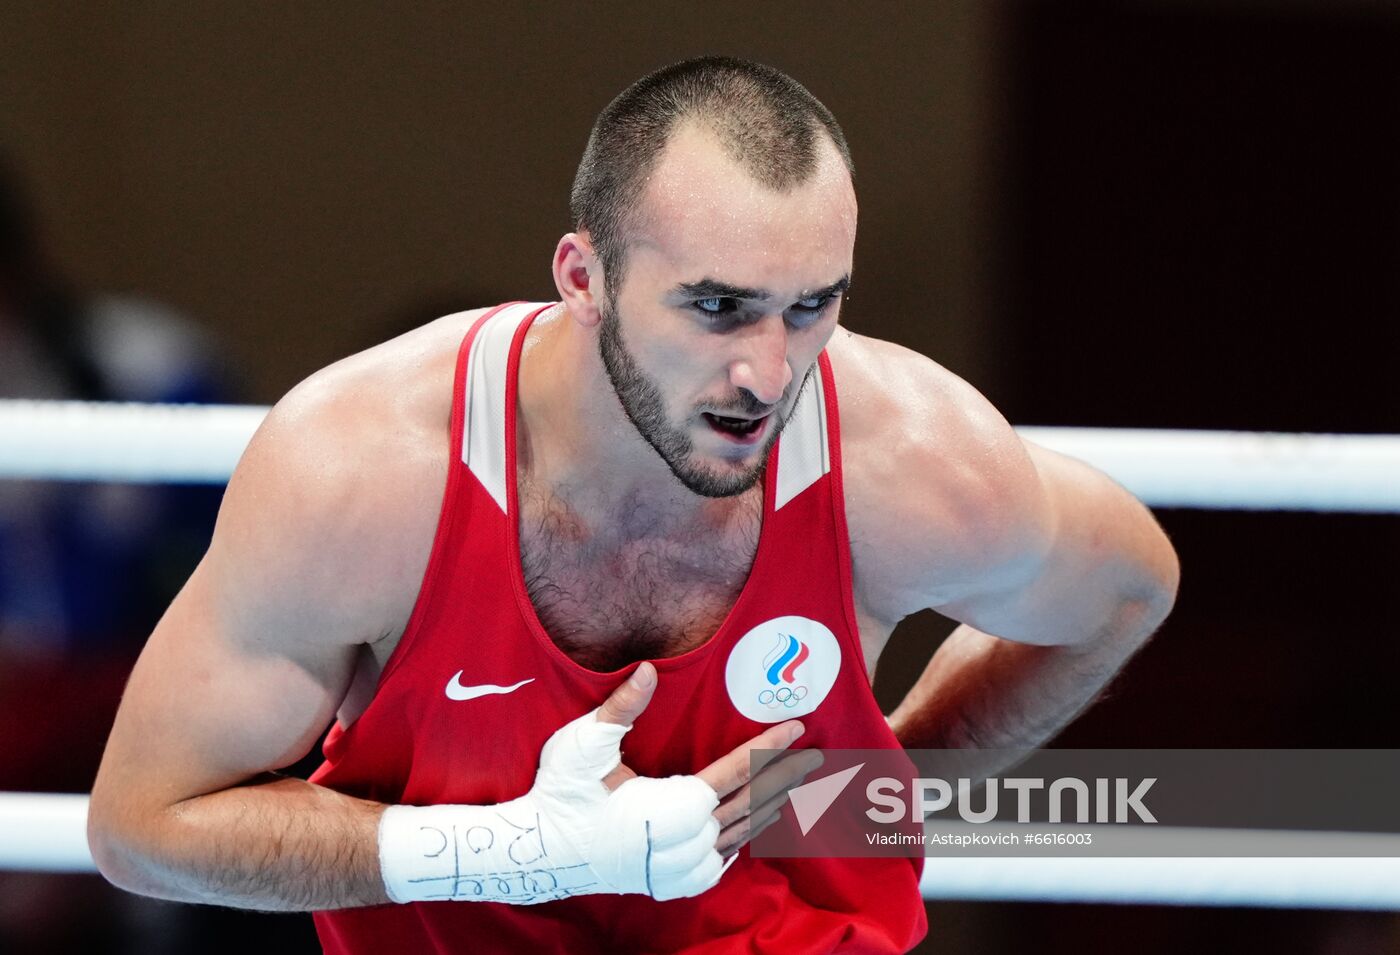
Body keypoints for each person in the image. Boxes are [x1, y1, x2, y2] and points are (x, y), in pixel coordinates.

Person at [87, 57, 1179, 953]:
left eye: (812, 306)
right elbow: (144, 825)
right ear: (583, 277)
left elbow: (1126, 588)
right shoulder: (366, 471)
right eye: (718, 306)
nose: (767, 372)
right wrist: (511, 851)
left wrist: (870, 791)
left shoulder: (912, 463)